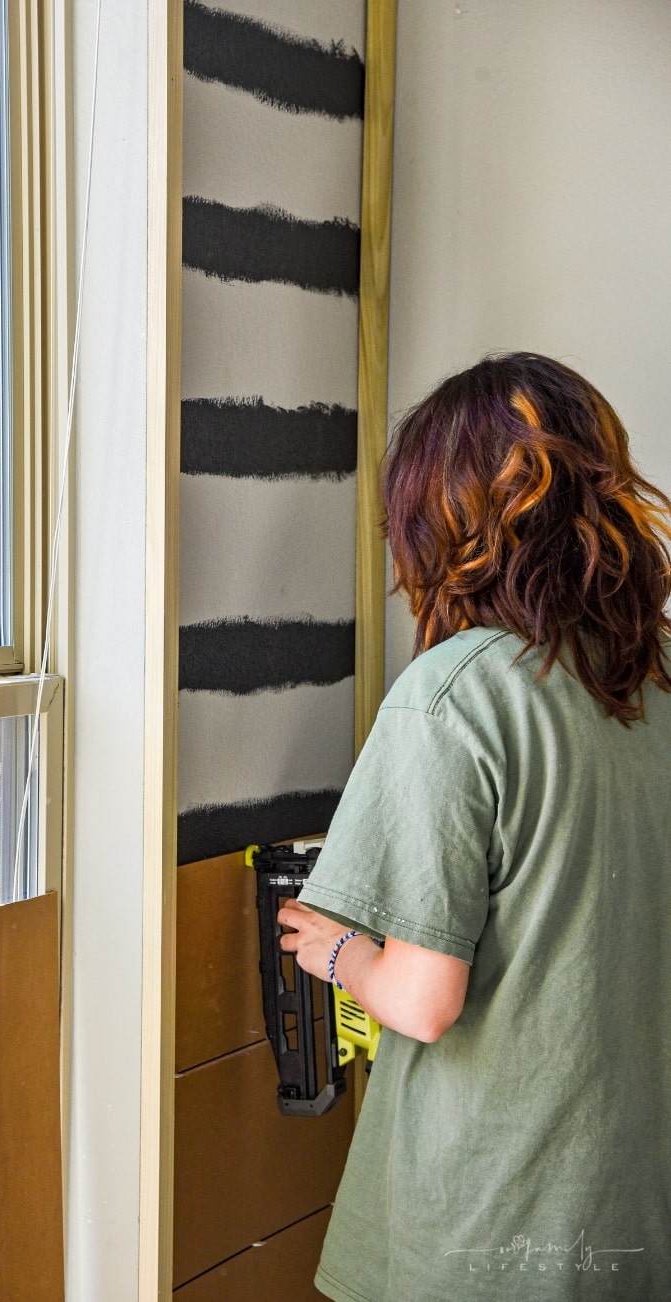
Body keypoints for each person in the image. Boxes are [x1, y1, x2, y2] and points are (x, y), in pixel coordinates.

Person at [278, 353, 670, 1301]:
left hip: (491, 1224)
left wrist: (334, 953)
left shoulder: (451, 697)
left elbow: (423, 1000)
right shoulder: (648, 692)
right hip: (629, 1211)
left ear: (439, 522)